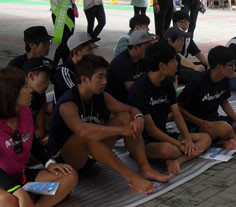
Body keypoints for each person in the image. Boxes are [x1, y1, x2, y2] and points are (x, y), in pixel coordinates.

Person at [47, 54, 168, 193]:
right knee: (88, 134)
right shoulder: (68, 103)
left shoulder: (101, 96)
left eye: (105, 77)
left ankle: (145, 168)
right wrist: (121, 130)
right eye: (100, 77)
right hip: (66, 161)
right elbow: (82, 130)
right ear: (84, 79)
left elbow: (131, 110)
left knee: (125, 117)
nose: (105, 82)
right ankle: (131, 178)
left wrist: (139, 118)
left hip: (90, 156)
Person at [0, 67, 77, 207]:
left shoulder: (25, 112)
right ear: (11, 93)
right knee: (9, 202)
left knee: (69, 176)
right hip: (2, 180)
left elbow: (32, 140)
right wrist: (19, 192)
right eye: (25, 87)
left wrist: (49, 163)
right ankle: (25, 201)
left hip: (21, 175)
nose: (30, 91)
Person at [128, 42, 211, 175]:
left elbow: (177, 115)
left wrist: (187, 139)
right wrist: (178, 144)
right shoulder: (139, 90)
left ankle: (178, 161)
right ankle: (175, 155)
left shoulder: (166, 83)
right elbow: (151, 130)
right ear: (162, 66)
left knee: (205, 138)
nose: (177, 64)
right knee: (171, 150)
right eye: (173, 61)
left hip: (164, 135)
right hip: (145, 142)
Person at [178, 46, 236, 150]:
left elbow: (224, 101)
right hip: (198, 124)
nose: (234, 68)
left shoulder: (224, 78)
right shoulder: (198, 81)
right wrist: (200, 123)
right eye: (231, 65)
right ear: (218, 67)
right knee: (225, 128)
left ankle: (231, 140)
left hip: (215, 120)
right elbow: (179, 107)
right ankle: (225, 137)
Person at [106, 30, 156, 104]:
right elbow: (133, 92)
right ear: (135, 47)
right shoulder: (122, 62)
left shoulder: (142, 58)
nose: (149, 50)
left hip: (132, 98)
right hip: (119, 102)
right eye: (147, 47)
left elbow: (152, 79)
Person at [53, 32, 99, 102]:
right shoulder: (64, 72)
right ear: (76, 53)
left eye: (92, 49)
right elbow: (78, 95)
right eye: (89, 49)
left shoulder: (84, 69)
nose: (92, 54)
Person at [23, 57, 54, 147]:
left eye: (50, 78)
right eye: (46, 77)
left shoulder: (39, 96)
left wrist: (33, 141)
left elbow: (40, 129)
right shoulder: (11, 96)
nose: (49, 82)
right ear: (31, 76)